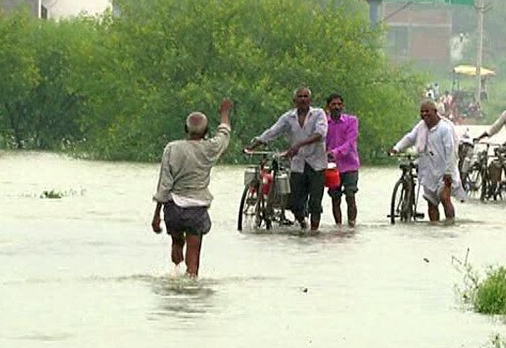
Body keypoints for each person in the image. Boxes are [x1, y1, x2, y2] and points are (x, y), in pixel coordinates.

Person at [151, 98, 233, 277]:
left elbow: (164, 183)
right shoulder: (210, 148)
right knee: (194, 258)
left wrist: (157, 214)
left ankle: (176, 256)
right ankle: (190, 288)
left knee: (177, 242)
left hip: (173, 208)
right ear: (206, 131)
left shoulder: (172, 148)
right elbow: (224, 133)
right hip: (196, 208)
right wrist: (225, 113)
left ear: (185, 129)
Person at [249, 87, 328, 230]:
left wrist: (298, 145)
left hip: (317, 163)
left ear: (310, 100)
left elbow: (320, 134)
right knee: (295, 202)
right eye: (300, 97)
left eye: (305, 96)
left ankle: (314, 233)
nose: (303, 99)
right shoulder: (288, 117)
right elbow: (273, 132)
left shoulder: (318, 114)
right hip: (298, 163)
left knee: (315, 203)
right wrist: (254, 146)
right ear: (294, 101)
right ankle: (303, 224)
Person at [389, 100, 462, 221]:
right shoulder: (421, 127)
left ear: (435, 112)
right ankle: (434, 227)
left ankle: (450, 223)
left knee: (444, 198)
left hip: (445, 172)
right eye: (422, 112)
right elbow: (410, 138)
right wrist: (397, 148)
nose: (424, 114)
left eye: (427, 112)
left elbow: (451, 152)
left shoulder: (444, 129)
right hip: (427, 171)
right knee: (431, 202)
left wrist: (448, 172)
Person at [325, 93, 360, 227]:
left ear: (343, 106)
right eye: (333, 104)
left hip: (350, 164)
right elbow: (322, 141)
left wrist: (334, 152)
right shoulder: (324, 123)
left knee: (350, 195)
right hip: (332, 167)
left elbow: (350, 142)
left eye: (339, 104)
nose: (336, 107)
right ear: (328, 107)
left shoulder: (352, 121)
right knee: (335, 197)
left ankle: (352, 225)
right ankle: (338, 226)